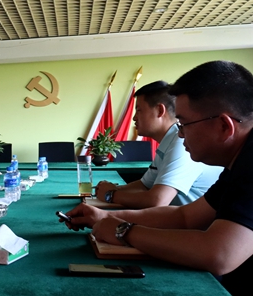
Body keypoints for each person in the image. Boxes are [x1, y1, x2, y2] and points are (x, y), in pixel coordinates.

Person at [63, 61, 253, 296]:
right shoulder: (238, 162)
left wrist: (124, 231)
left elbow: (219, 254)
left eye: (184, 124)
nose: (180, 134)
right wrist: (105, 216)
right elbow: (185, 217)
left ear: (224, 126)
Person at [95, 81, 223, 208]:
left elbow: (158, 201)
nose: (134, 118)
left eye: (139, 110)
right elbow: (144, 185)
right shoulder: (168, 141)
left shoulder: (181, 143)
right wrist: (115, 189)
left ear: (160, 110)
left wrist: (111, 195)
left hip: (199, 220)